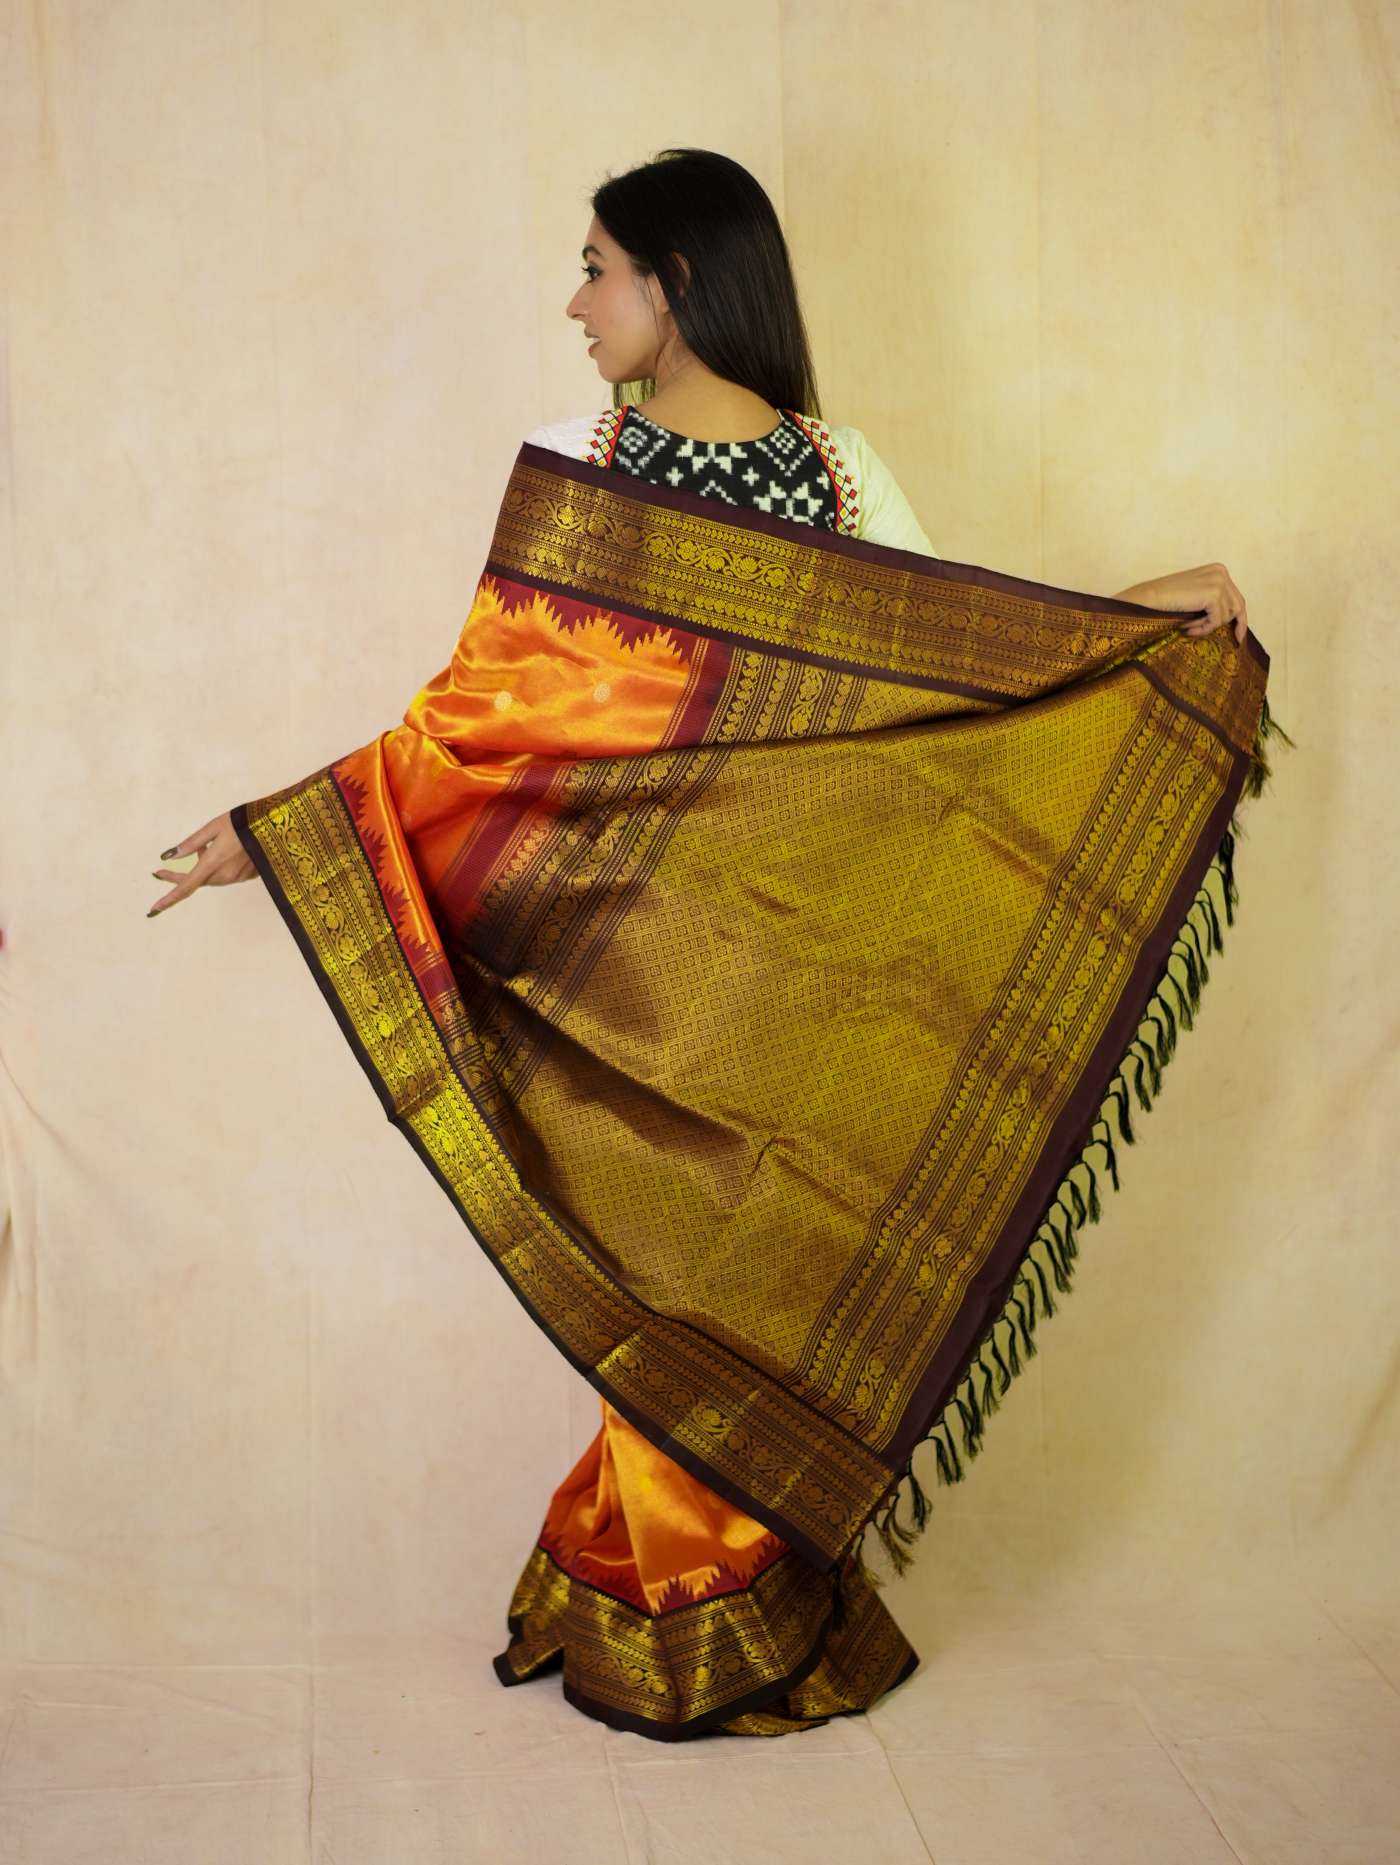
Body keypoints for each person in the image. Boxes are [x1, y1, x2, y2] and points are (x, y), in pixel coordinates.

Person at [145, 149, 1262, 1742]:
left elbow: (965, 672)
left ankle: (708, 1607)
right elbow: (474, 731)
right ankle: (669, 1602)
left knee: (768, 1293)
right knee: (658, 1296)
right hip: (628, 986)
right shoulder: (574, 466)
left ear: (675, 284)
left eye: (596, 266)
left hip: (805, 978)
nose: (574, 301)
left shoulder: (841, 472)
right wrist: (281, 829)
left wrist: (1147, 619)